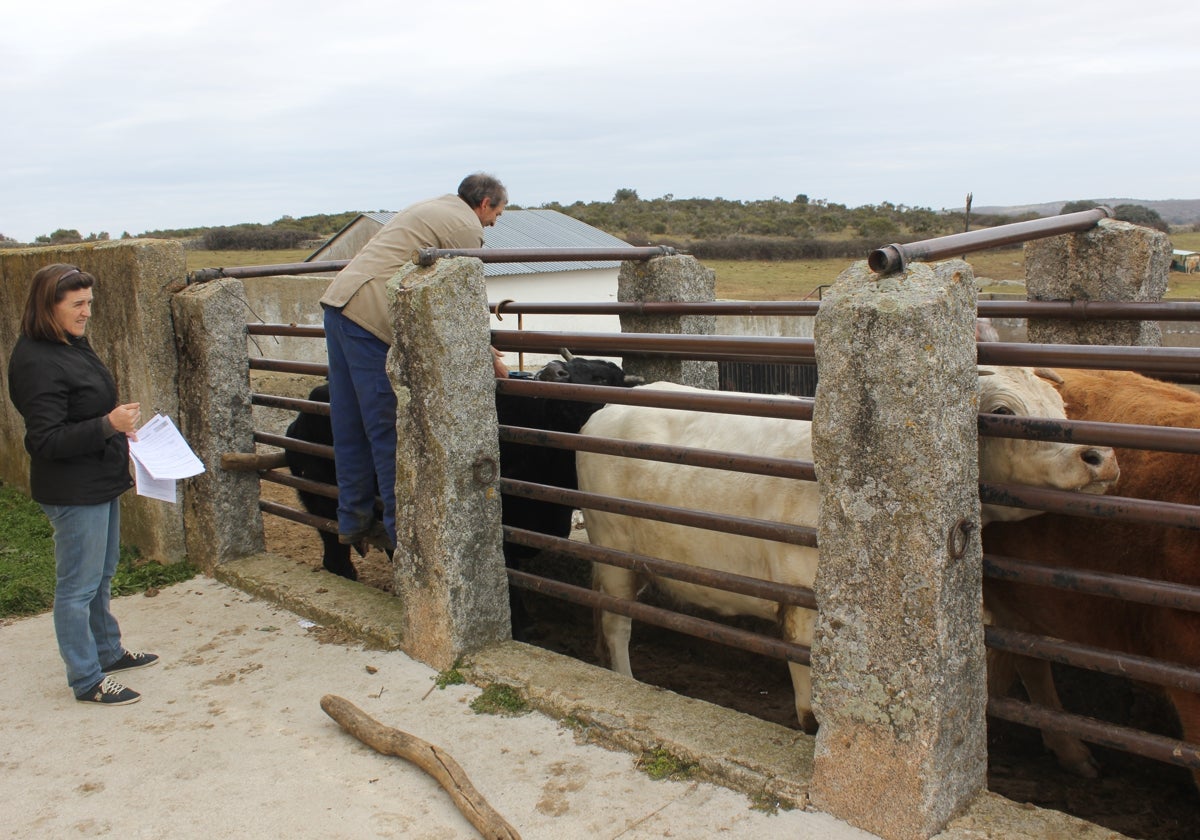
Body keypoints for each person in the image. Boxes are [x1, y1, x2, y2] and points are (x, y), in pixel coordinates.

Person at [319, 173, 510, 555]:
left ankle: (352, 518)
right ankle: (402, 538)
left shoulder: (434, 206)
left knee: (349, 421)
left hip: (339, 304)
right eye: (498, 213)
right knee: (386, 428)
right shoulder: (464, 226)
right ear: (485, 203)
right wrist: (486, 352)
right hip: (369, 317)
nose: (493, 222)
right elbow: (465, 297)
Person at [7, 263, 158, 706]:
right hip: (72, 489)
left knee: (101, 575)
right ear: (47, 307)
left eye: (89, 302)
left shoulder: (69, 342)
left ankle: (107, 652)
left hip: (98, 479)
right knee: (76, 588)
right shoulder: (35, 360)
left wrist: (115, 427)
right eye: (77, 304)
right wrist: (107, 424)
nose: (87, 311)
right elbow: (44, 440)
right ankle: (86, 679)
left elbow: (82, 411)